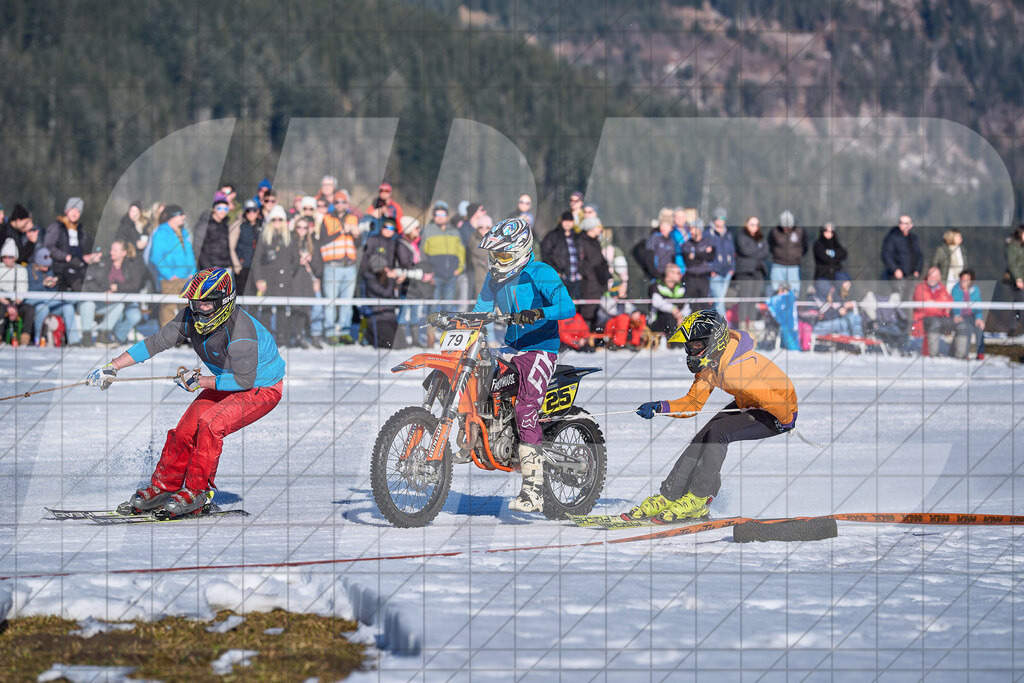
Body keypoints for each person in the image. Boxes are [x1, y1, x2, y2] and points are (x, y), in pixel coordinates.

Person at [85, 268, 285, 518]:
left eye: (205, 305)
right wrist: (113, 366)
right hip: (224, 381)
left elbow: (245, 380)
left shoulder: (241, 331)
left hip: (260, 388)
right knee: (185, 430)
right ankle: (163, 488)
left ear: (223, 302)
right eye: (194, 304)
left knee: (211, 425)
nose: (199, 310)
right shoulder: (189, 318)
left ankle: (196, 493)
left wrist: (201, 380)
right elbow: (155, 342)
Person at [629, 309, 798, 523]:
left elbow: (774, 401)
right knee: (703, 435)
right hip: (750, 402)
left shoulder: (736, 371)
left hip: (779, 411)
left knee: (718, 433)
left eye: (697, 346)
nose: (692, 351)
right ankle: (669, 496)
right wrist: (660, 406)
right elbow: (693, 403)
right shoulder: (710, 365)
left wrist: (786, 421)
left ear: (714, 341)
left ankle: (699, 499)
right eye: (689, 346)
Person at [467, 217, 575, 513]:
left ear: (519, 251)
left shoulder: (541, 272)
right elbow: (480, 311)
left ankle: (533, 491)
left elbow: (568, 307)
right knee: (479, 383)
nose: (496, 262)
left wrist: (539, 313)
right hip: (511, 347)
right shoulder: (494, 279)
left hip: (540, 350)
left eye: (502, 255)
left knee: (526, 409)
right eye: (493, 255)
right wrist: (455, 320)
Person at [79, 240, 146, 345]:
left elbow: (135, 286)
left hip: (127, 301)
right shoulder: (104, 262)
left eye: (115, 250)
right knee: (88, 303)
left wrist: (117, 287)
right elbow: (95, 280)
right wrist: (105, 290)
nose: (111, 252)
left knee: (135, 316)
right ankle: (89, 337)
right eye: (111, 249)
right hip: (105, 300)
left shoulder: (132, 265)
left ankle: (118, 337)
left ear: (123, 253)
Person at [250, 205, 298, 345]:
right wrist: (258, 279)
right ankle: (266, 336)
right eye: (274, 219)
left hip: (284, 280)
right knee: (266, 309)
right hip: (267, 280)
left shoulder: (290, 238)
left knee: (283, 309)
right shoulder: (264, 238)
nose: (277, 222)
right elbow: (256, 261)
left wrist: (290, 272)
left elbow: (295, 260)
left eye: (280, 219)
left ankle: (282, 336)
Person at [319, 197, 362, 344]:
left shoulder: (353, 219)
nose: (340, 205)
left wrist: (357, 235)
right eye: (337, 202)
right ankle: (330, 331)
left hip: (349, 265)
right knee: (330, 302)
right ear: (334, 204)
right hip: (332, 265)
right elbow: (322, 241)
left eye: (343, 202)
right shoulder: (326, 219)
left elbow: (358, 243)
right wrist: (341, 231)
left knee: (347, 302)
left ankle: (344, 331)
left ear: (347, 204)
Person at [421, 201, 464, 346]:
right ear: (434, 216)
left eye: (443, 214)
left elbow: (461, 251)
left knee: (448, 307)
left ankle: (448, 335)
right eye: (437, 214)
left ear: (447, 215)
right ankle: (430, 334)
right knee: (433, 306)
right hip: (435, 275)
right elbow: (423, 253)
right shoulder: (428, 230)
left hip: (451, 275)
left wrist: (460, 267)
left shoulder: (454, 231)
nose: (440, 217)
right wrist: (428, 271)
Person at [148, 205, 195, 327]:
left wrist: (193, 272)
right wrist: (169, 275)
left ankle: (185, 337)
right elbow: (156, 257)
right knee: (168, 309)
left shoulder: (184, 232)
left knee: (187, 309)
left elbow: (190, 254)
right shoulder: (160, 233)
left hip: (187, 278)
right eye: (180, 214)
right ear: (172, 217)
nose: (183, 217)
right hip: (170, 279)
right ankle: (166, 338)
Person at [912, 266, 967, 357]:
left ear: (939, 278)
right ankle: (933, 355)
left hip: (943, 318)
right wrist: (941, 305)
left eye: (935, 276)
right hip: (924, 319)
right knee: (935, 323)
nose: (932, 279)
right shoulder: (920, 288)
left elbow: (949, 303)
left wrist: (935, 303)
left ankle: (960, 356)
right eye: (930, 276)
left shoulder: (942, 288)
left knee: (962, 325)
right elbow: (926, 308)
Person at [290, 216, 324, 348]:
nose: (302, 230)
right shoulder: (291, 242)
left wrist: (309, 260)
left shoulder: (313, 243)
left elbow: (319, 267)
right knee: (295, 308)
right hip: (295, 279)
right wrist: (299, 262)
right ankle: (297, 335)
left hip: (308, 280)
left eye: (305, 227)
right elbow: (287, 264)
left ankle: (305, 334)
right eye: (299, 227)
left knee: (306, 309)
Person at [733, 216, 769, 334]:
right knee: (745, 299)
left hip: (758, 272)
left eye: (756, 224)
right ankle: (742, 326)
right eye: (752, 224)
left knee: (754, 300)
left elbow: (766, 251)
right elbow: (745, 251)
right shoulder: (741, 236)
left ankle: (752, 326)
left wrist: (753, 253)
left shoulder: (761, 238)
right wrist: (757, 251)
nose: (755, 227)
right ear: (746, 225)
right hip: (745, 272)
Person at [541, 211, 585, 299]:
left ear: (573, 222)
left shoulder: (578, 237)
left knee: (577, 306)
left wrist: (582, 271)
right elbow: (546, 255)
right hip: (561, 278)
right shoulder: (553, 236)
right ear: (561, 222)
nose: (568, 223)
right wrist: (555, 270)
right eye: (565, 221)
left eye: (570, 221)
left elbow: (583, 255)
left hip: (577, 279)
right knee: (561, 302)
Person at [0, 238, 32, 345]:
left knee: (30, 309)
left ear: (15, 257)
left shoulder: (21, 270)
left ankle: (25, 337)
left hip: (17, 302)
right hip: (2, 301)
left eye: (10, 257)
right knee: (1, 309)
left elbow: (22, 289)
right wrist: (7, 304)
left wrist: (14, 304)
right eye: (4, 257)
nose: (7, 259)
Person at [881, 214, 922, 296]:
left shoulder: (914, 238)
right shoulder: (892, 237)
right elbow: (886, 255)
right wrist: (895, 269)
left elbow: (919, 255)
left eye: (906, 223)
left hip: (912, 276)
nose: (903, 225)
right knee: (898, 300)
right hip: (898, 277)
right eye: (901, 223)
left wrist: (917, 270)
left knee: (910, 300)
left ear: (911, 225)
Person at [768, 210, 807, 294]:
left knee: (794, 291)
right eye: (784, 227)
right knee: (777, 290)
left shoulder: (800, 231)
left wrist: (797, 256)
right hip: (778, 264)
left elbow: (805, 246)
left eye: (788, 227)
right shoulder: (774, 231)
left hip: (794, 266)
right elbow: (770, 245)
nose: (786, 229)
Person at [229, 198, 262, 295]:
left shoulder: (261, 226)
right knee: (240, 297)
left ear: (258, 212)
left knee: (255, 299)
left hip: (257, 268)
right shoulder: (240, 226)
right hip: (242, 267)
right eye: (248, 211)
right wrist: (236, 264)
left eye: (254, 210)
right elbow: (231, 247)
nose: (251, 213)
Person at [705, 208, 735, 317]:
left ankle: (713, 326)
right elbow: (706, 254)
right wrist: (710, 269)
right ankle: (724, 327)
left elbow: (732, 252)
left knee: (719, 301)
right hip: (715, 273)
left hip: (727, 272)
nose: (720, 220)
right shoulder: (708, 233)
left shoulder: (728, 234)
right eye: (717, 218)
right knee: (719, 301)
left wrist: (732, 268)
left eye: (722, 218)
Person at [196, 193, 236, 271]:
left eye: (226, 209)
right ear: (214, 209)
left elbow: (227, 247)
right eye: (220, 208)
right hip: (210, 269)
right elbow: (198, 248)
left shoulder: (225, 225)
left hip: (226, 268)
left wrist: (230, 264)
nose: (223, 211)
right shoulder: (204, 225)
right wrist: (208, 269)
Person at [950, 269, 985, 359]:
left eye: (967, 279)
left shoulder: (975, 289)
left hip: (972, 315)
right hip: (961, 316)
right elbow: (954, 305)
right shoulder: (956, 289)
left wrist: (979, 318)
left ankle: (980, 353)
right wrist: (956, 315)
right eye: (963, 278)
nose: (964, 281)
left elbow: (978, 305)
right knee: (967, 328)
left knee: (979, 328)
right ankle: (965, 353)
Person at [680, 222, 715, 309]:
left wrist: (695, 255)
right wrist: (703, 254)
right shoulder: (686, 244)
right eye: (690, 229)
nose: (691, 232)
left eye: (693, 229)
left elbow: (711, 257)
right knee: (693, 306)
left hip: (704, 278)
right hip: (691, 278)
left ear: (699, 230)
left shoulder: (708, 242)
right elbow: (688, 261)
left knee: (705, 305)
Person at [648, 263, 687, 339]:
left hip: (678, 320)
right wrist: (674, 310)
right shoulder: (656, 286)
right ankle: (674, 345)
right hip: (658, 322)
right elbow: (657, 303)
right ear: (670, 274)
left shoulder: (682, 288)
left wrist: (681, 317)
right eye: (678, 273)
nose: (681, 275)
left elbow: (687, 306)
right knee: (669, 318)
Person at [1006, 225, 1024, 336]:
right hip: (1016, 281)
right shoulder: (1012, 247)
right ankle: (1013, 330)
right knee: (1020, 304)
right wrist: (1018, 278)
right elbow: (1012, 264)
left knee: (1019, 305)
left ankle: (1012, 329)